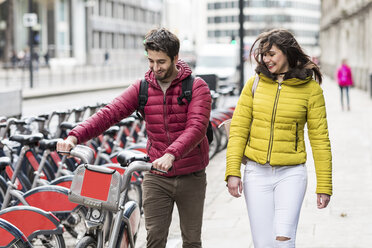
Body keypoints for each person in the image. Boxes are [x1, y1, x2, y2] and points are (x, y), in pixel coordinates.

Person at [57, 28, 211, 248]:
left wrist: (171, 154)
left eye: (161, 62)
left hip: (191, 176)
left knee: (192, 240)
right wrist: (74, 136)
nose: (155, 68)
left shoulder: (197, 87)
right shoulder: (143, 87)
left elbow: (196, 128)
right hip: (156, 175)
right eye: (151, 61)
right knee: (155, 238)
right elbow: (108, 113)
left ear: (176, 58)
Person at [225, 29, 332, 248]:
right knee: (263, 244)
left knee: (284, 240)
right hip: (256, 173)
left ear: (287, 52)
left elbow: (320, 139)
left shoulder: (311, 90)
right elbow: (238, 129)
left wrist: (324, 185)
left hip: (291, 174)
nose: (266, 59)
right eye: (264, 54)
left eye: (272, 54)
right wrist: (233, 171)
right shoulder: (254, 84)